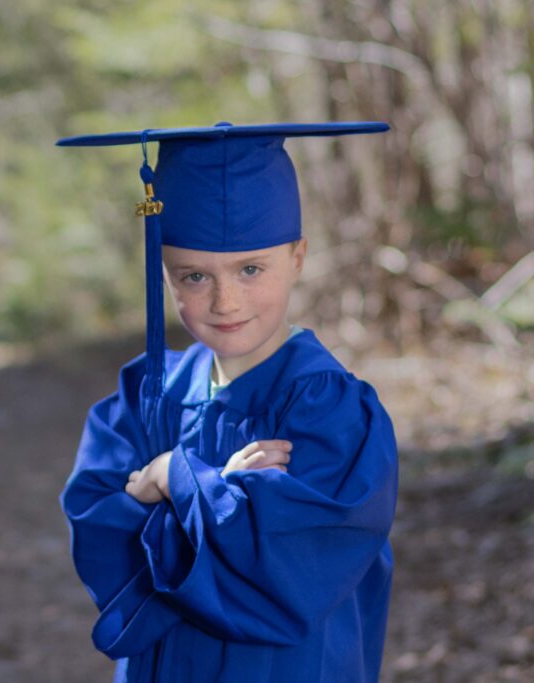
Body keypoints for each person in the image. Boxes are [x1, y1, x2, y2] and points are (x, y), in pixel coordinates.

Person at [57, 122, 399, 682]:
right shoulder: (147, 392)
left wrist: (173, 479)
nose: (225, 300)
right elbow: (100, 533)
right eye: (193, 275)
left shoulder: (331, 409)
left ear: (298, 257)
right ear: (163, 273)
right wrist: (223, 497)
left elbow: (292, 572)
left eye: (251, 268)